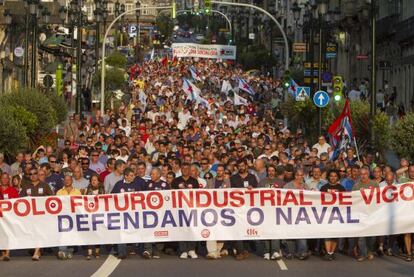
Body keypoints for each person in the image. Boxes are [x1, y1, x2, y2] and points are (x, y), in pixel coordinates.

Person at [20, 167, 54, 261]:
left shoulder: (45, 185)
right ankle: (37, 249)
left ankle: (36, 252)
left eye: (35, 173)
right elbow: (20, 200)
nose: (33, 175)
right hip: (30, 215)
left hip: (42, 215)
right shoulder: (26, 186)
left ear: (38, 174)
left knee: (39, 232)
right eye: (31, 174)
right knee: (33, 233)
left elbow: (52, 198)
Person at [111, 167, 143, 259]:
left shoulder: (136, 185)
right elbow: (112, 197)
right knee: (121, 232)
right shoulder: (118, 185)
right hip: (122, 214)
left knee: (138, 231)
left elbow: (141, 197)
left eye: (134, 175)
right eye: (132, 175)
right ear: (126, 176)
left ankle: (141, 250)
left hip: (134, 214)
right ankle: (122, 252)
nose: (134, 177)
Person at [230, 158, 258, 260]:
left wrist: (253, 189)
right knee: (238, 228)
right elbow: (230, 191)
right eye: (239, 166)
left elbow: (258, 192)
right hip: (237, 207)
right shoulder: (233, 178)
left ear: (246, 166)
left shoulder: (252, 177)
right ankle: (240, 251)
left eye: (243, 165)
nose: (241, 168)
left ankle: (246, 249)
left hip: (250, 208)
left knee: (247, 228)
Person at [171, 162, 199, 259]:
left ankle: (191, 249)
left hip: (192, 209)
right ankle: (183, 250)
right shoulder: (175, 181)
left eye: (187, 168)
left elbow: (198, 196)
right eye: (183, 168)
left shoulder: (194, 181)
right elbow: (171, 195)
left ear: (190, 170)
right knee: (182, 229)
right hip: (180, 209)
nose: (185, 170)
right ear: (181, 169)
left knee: (192, 228)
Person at [352, 166, 379, 262]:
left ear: (368, 174)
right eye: (361, 174)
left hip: (372, 214)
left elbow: (379, 198)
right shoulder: (356, 186)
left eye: (365, 174)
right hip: (361, 214)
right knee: (361, 237)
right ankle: (362, 254)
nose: (363, 176)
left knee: (372, 236)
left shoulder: (375, 184)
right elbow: (353, 200)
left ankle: (370, 251)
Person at [142, 168, 169, 259]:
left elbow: (168, 199)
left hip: (161, 213)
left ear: (159, 175)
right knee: (148, 229)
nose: (151, 176)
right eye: (151, 174)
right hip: (149, 213)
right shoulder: (147, 184)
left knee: (160, 231)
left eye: (153, 174)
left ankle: (157, 249)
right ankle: (148, 250)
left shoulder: (165, 185)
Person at [320, 170, 346, 261]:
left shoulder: (341, 188)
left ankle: (331, 252)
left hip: (337, 214)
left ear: (338, 177)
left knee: (335, 234)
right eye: (331, 176)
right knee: (327, 233)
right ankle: (328, 252)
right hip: (326, 214)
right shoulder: (323, 188)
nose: (333, 177)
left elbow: (345, 201)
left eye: (335, 176)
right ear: (328, 177)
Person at [284, 169, 310, 260]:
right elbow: (283, 199)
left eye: (302, 175)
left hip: (302, 215)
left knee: (302, 233)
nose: (300, 177)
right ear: (295, 176)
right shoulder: (288, 186)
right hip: (290, 214)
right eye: (298, 175)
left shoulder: (306, 186)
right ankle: (288, 252)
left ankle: (302, 252)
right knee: (289, 234)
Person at [56, 174, 82, 259]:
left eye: (69, 179)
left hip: (74, 216)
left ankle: (70, 250)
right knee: (63, 233)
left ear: (72, 181)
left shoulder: (77, 192)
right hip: (63, 216)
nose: (67, 181)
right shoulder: (59, 192)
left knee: (72, 234)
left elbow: (80, 204)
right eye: (65, 180)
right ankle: (62, 250)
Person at [85, 175, 105, 260]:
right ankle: (89, 251)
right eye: (92, 180)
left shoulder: (102, 191)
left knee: (97, 233)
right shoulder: (87, 190)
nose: (93, 182)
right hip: (89, 214)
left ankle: (97, 251)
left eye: (95, 180)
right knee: (89, 232)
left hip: (99, 214)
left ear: (98, 181)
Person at [0, 172, 19, 261]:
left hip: (8, 217)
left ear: (9, 180)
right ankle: (3, 252)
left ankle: (7, 253)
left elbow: (17, 203)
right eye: (3, 178)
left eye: (6, 178)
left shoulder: (13, 190)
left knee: (7, 234)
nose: (4, 180)